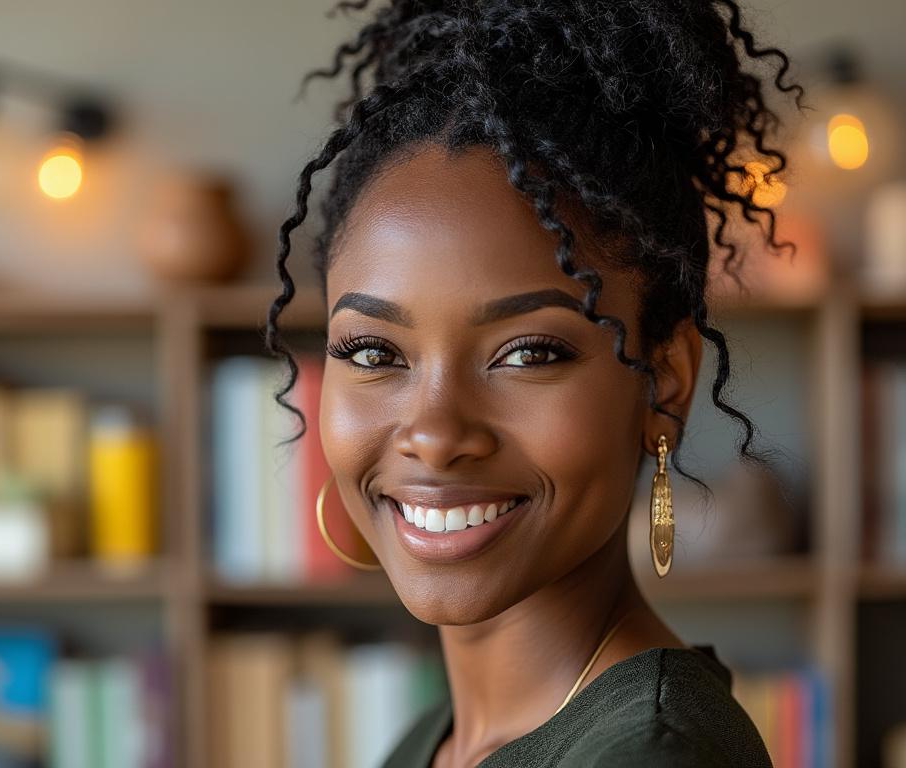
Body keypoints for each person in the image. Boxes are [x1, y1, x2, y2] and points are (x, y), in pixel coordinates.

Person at [264, 0, 805, 765]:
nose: (436, 434)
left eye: (528, 353)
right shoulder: (433, 743)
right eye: (374, 352)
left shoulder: (651, 754)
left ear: (667, 382)